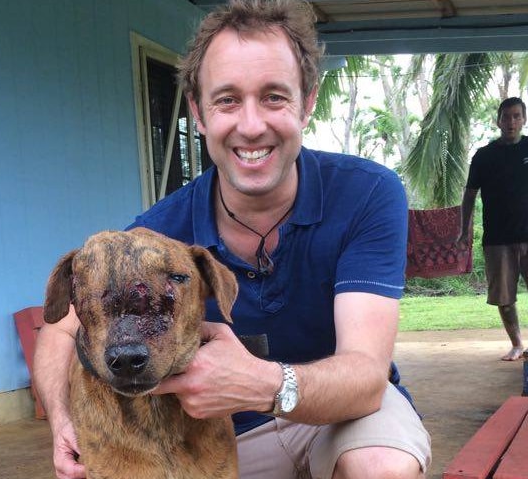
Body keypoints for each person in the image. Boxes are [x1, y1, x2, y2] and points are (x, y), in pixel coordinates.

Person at [33, 1, 431, 477]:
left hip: (340, 415)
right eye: (227, 100)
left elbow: (366, 378)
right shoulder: (158, 239)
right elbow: (60, 327)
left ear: (307, 103)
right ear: (198, 114)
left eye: (273, 97)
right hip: (229, 433)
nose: (250, 125)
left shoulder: (366, 193)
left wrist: (259, 383)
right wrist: (62, 420)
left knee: (382, 465)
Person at [458, 97, 528, 362]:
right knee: (504, 298)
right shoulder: (484, 156)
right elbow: (469, 194)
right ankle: (517, 344)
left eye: (516, 116)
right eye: (506, 116)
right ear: (498, 120)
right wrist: (464, 230)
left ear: (523, 119)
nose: (511, 122)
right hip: (498, 239)